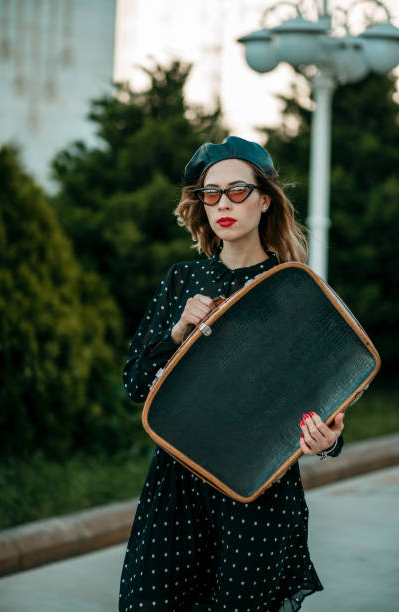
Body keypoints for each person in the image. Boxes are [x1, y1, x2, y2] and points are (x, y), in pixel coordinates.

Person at [118, 136, 345, 612]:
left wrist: (327, 440)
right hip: (178, 484)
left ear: (265, 200)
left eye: (238, 191)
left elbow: (326, 398)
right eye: (211, 193)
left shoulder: (292, 289)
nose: (223, 203)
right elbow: (136, 383)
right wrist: (179, 331)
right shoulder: (183, 281)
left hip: (256, 492)